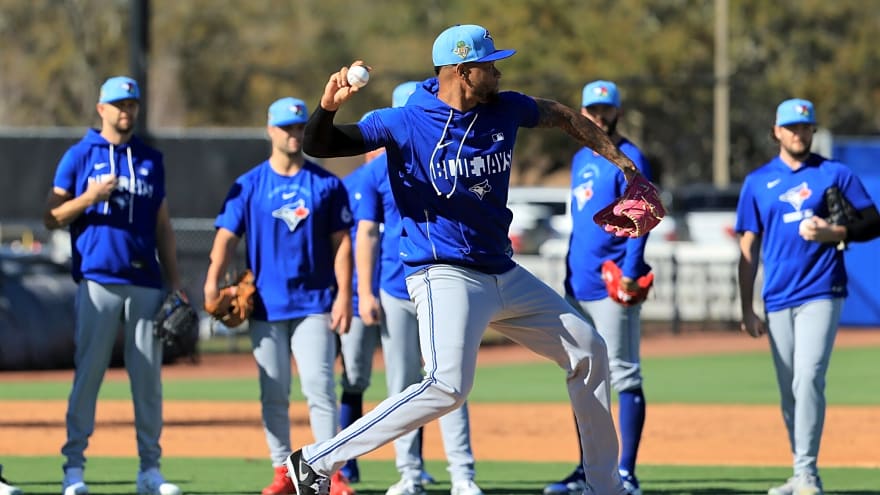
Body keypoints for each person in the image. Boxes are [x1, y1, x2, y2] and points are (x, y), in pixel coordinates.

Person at [286, 24, 657, 495]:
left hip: (500, 269)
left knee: (590, 351)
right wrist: (329, 107)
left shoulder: (504, 108)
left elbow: (564, 116)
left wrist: (624, 166)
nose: (499, 73)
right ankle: (316, 460)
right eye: (490, 65)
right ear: (462, 72)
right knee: (447, 386)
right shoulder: (405, 120)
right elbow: (322, 144)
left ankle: (607, 487)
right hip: (442, 272)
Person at [202, 97, 356, 495]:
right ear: (270, 131)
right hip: (266, 307)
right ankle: (282, 471)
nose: (293, 134)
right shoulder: (251, 184)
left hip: (315, 303)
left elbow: (343, 245)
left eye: (299, 127)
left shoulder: (326, 185)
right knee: (273, 391)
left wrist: (343, 297)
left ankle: (329, 472)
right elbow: (225, 238)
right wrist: (211, 283)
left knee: (320, 388)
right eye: (286, 128)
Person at [43, 76, 184, 495]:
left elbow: (163, 225)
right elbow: (51, 216)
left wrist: (174, 283)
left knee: (147, 380)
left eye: (132, 103)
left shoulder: (149, 159)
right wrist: (88, 197)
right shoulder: (79, 155)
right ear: (101, 108)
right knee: (89, 375)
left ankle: (150, 470)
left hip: (144, 280)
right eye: (119, 104)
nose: (127, 110)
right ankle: (74, 468)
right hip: (98, 279)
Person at [736, 98, 880, 495]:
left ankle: (808, 473)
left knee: (808, 376)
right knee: (790, 391)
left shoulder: (834, 173)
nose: (800, 134)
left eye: (806, 127)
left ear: (813, 131)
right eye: (793, 128)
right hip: (777, 297)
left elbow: (872, 222)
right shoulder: (757, 182)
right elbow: (748, 249)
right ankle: (799, 472)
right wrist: (746, 306)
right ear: (777, 132)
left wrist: (835, 233)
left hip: (822, 290)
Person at [353, 81, 483, 495]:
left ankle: (461, 475)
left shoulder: (443, 157)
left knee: (448, 384)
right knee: (401, 385)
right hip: (394, 289)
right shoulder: (375, 171)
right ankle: (409, 473)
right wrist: (366, 292)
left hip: (441, 282)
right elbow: (366, 233)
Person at [545, 81, 652, 495]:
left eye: (606, 109)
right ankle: (589, 470)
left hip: (612, 282)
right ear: (582, 113)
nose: (599, 115)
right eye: (592, 109)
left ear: (618, 113)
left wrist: (630, 269)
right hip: (578, 282)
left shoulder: (630, 158)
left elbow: (642, 217)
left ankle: (625, 471)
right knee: (582, 375)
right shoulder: (579, 159)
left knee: (623, 374)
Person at [337, 86, 439, 492]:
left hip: (401, 286)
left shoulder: (425, 166)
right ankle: (346, 461)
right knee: (356, 375)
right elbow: (352, 240)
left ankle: (413, 466)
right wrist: (353, 293)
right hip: (366, 290)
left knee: (421, 378)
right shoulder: (363, 177)